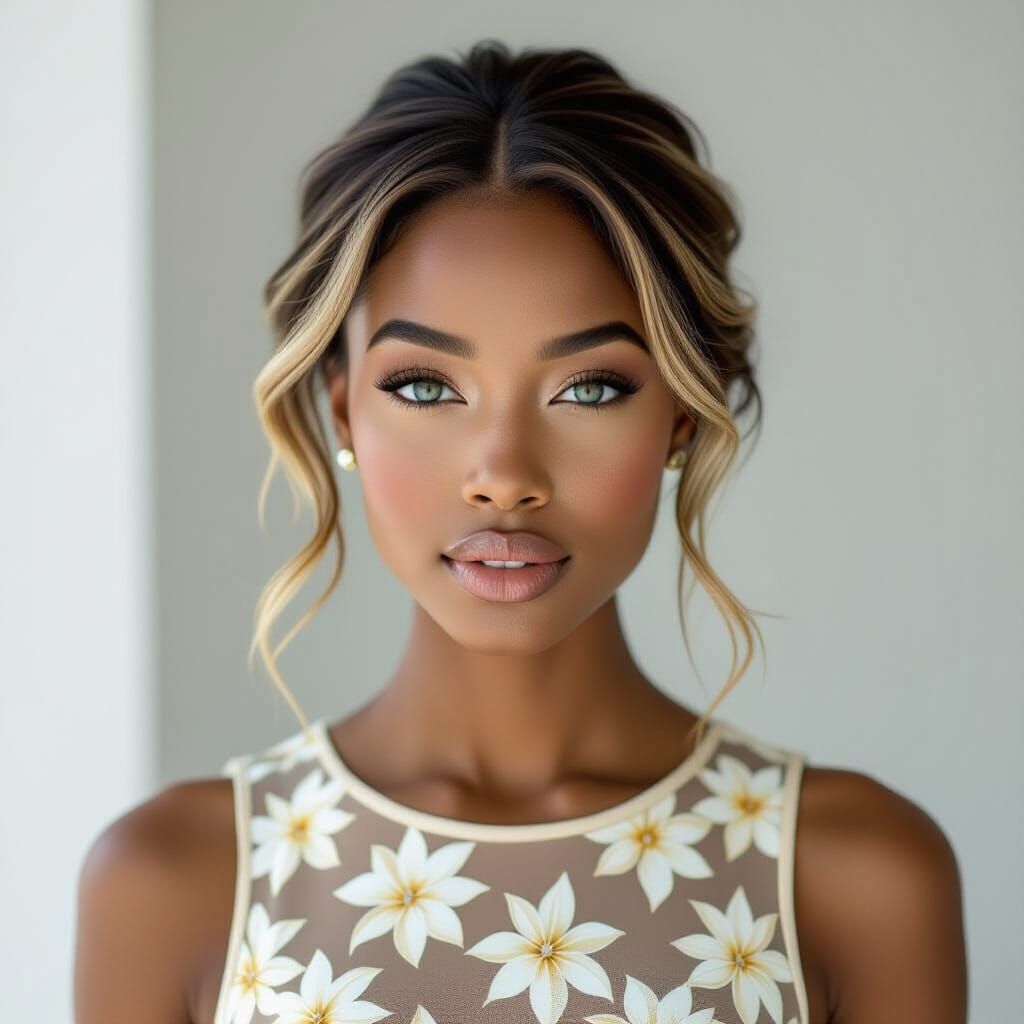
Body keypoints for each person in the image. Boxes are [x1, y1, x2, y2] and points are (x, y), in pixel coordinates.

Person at [73, 40, 967, 1024]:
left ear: (678, 414)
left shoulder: (854, 879)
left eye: (589, 387)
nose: (503, 474)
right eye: (425, 385)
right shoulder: (174, 881)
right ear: (339, 413)